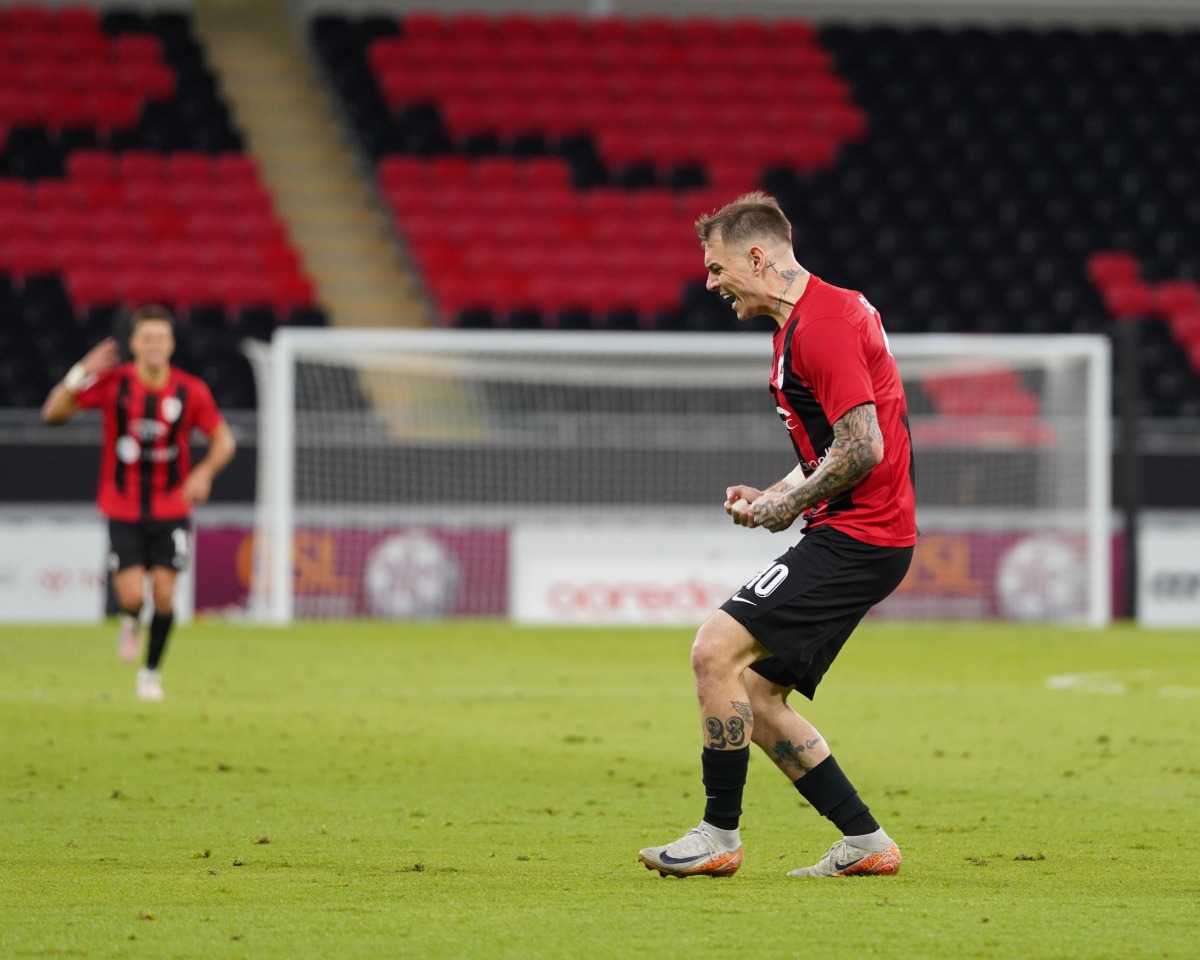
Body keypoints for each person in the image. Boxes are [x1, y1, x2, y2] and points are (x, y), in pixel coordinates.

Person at [638, 193, 917, 879]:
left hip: (859, 534)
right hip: (867, 532)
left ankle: (718, 834)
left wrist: (780, 510)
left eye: (717, 267)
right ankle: (865, 842)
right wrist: (778, 494)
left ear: (757, 257)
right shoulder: (825, 313)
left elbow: (863, 449)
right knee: (756, 695)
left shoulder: (818, 327)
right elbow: (834, 444)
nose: (711, 283)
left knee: (714, 650)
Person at [41, 305, 236, 701]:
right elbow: (52, 413)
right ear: (133, 343)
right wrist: (81, 372)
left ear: (171, 345)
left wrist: (203, 473)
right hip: (123, 508)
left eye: (160, 338)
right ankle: (130, 622)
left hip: (172, 507)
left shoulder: (190, 390)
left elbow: (225, 442)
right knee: (132, 598)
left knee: (164, 596)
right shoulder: (114, 384)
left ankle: (150, 674)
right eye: (145, 337)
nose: (153, 344)